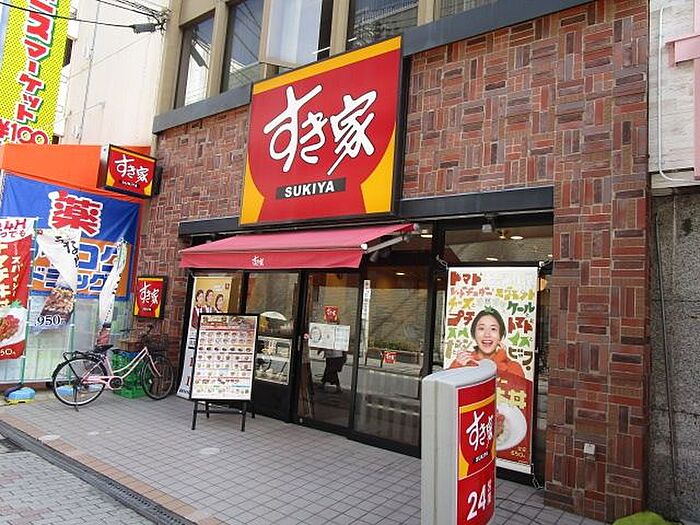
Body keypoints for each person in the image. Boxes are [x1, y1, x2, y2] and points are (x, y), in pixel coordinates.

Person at [450, 307, 524, 377]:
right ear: (474, 334)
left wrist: (499, 360)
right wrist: (457, 368)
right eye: (481, 328)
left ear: (500, 335)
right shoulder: (461, 362)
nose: (487, 334)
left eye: (493, 329)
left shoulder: (513, 367)